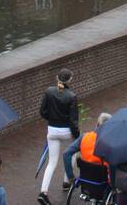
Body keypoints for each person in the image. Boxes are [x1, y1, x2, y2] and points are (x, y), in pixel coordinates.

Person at [38, 68, 79, 202]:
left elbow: (42, 111)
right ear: (70, 80)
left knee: (52, 162)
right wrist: (77, 136)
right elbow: (73, 121)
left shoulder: (49, 92)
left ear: (57, 78)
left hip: (52, 130)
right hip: (66, 131)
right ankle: (67, 181)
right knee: (72, 154)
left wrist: (51, 119)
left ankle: (43, 192)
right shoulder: (72, 96)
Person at [61, 112, 112, 188]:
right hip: (102, 181)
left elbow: (66, 154)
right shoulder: (110, 142)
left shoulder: (84, 137)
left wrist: (71, 177)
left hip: (85, 177)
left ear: (97, 124)